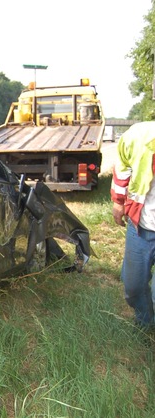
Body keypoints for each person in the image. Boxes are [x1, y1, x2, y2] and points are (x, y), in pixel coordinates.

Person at [111, 121, 155, 329]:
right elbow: (122, 167)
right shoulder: (138, 135)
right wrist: (119, 202)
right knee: (133, 286)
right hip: (141, 226)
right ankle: (146, 323)